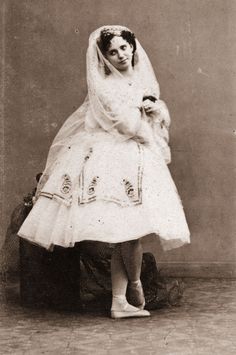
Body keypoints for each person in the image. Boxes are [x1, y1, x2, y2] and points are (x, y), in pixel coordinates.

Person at [18, 25, 190, 319]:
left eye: (124, 48)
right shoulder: (106, 84)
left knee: (128, 233)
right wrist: (142, 120)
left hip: (136, 156)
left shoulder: (138, 79)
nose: (121, 55)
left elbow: (155, 112)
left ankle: (120, 300)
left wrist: (156, 111)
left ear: (133, 47)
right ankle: (129, 290)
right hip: (112, 157)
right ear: (104, 57)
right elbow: (123, 125)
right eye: (113, 51)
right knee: (124, 231)